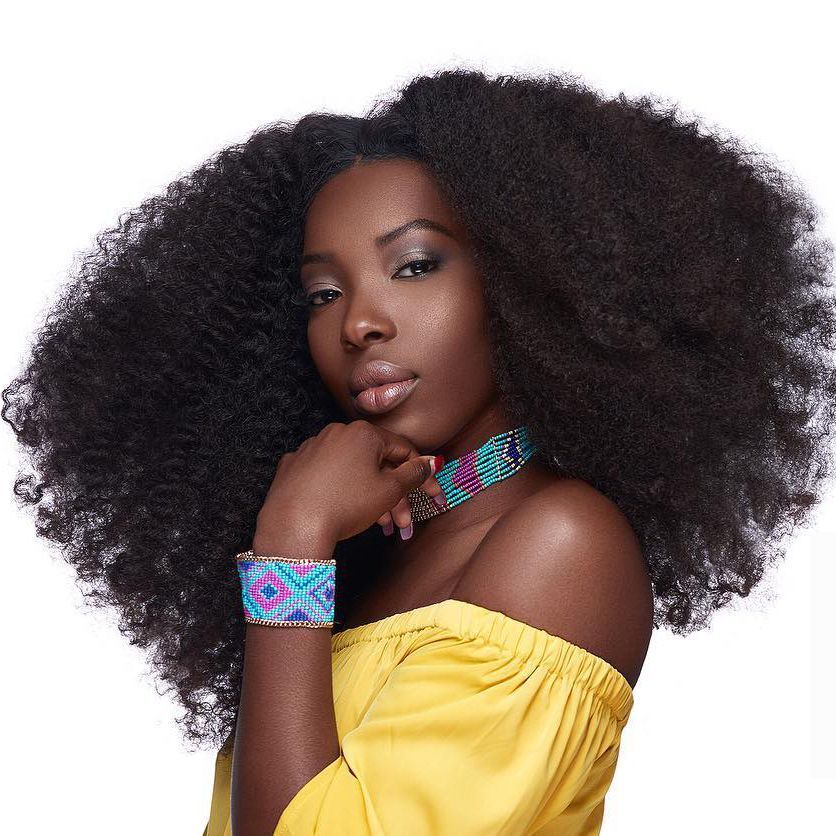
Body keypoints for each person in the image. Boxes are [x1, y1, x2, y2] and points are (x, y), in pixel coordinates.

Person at [4, 68, 835, 835]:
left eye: (414, 265)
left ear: (522, 282)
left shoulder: (560, 546)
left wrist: (291, 535)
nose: (358, 323)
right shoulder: (371, 559)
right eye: (324, 293)